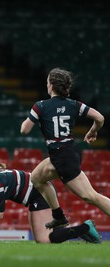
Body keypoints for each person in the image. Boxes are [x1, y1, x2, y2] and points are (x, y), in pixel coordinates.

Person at [20, 67, 110, 229]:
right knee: (35, 178)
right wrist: (93, 131)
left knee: (90, 197)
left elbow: (24, 130)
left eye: (48, 82)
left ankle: (59, 216)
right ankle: (59, 216)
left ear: (52, 86)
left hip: (62, 158)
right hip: (66, 154)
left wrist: (32, 119)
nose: (47, 85)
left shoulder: (40, 106)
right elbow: (100, 118)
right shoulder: (74, 104)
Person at [0, 158, 102, 244]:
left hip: (40, 194)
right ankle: (84, 229)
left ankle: (85, 228)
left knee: (45, 239)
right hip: (35, 196)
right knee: (43, 239)